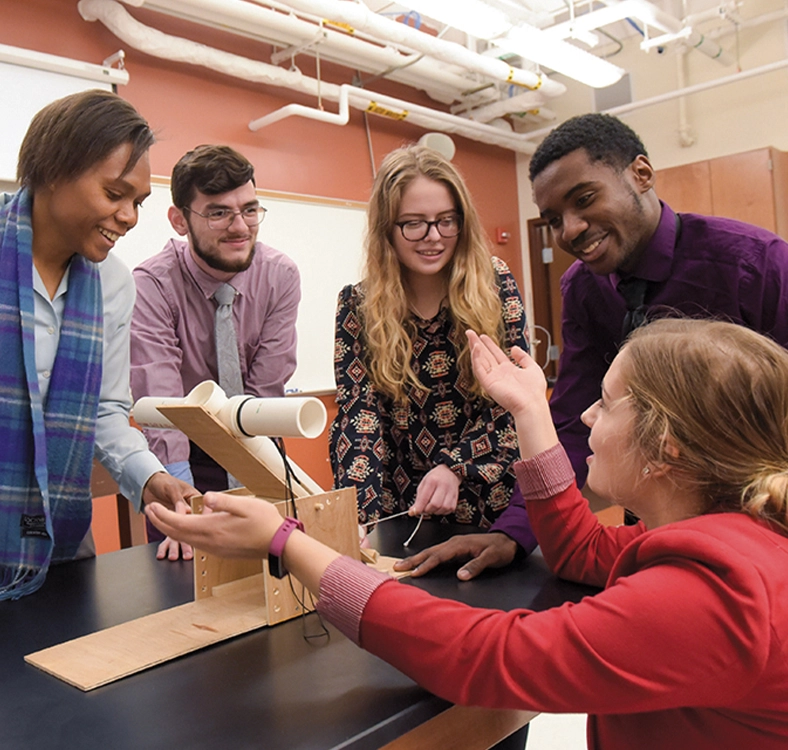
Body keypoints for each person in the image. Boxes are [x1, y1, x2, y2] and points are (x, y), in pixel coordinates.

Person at [148, 318, 788, 750]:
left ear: (666, 446)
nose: (587, 412)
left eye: (608, 401)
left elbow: (487, 658)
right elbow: (579, 552)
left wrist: (288, 543)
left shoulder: (718, 593)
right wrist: (530, 410)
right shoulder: (732, 534)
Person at [398, 112, 788, 577]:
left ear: (641, 175)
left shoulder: (756, 264)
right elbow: (571, 420)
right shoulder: (584, 289)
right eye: (554, 219)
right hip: (659, 519)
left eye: (584, 199)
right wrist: (514, 531)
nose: (571, 230)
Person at [0, 90, 196, 601]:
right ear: (51, 171)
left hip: (58, 541)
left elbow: (105, 410)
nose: (129, 217)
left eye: (138, 202)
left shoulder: (112, 284)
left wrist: (152, 478)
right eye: (114, 194)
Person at [330, 144, 534, 541]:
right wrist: (356, 514)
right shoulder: (358, 303)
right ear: (386, 228)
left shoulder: (494, 284)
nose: (433, 237)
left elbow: (511, 402)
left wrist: (455, 466)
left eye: (446, 221)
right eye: (414, 223)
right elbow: (360, 414)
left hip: (487, 504)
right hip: (403, 509)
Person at [130, 145, 301, 558]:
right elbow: (163, 404)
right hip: (182, 454)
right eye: (219, 212)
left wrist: (263, 489)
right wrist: (183, 506)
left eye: (250, 209)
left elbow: (265, 391)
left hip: (256, 443)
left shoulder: (280, 276)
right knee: (182, 574)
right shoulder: (152, 284)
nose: (240, 226)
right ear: (179, 219)